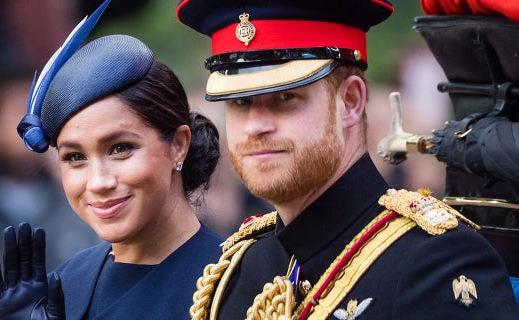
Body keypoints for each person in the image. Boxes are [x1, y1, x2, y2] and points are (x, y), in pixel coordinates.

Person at [176, 0, 519, 319]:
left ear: (351, 101)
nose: (255, 126)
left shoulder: (437, 264)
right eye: (240, 103)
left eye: (285, 97)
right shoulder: (239, 267)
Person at [0, 1, 223, 319]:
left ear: (178, 145)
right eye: (75, 157)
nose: (98, 182)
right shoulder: (66, 284)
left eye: (120, 148)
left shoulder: (236, 280)